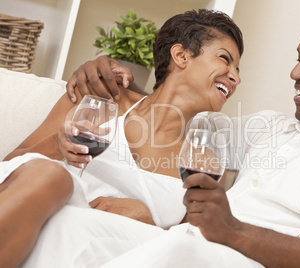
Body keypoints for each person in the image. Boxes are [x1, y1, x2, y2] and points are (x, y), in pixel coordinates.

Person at [62, 13, 300, 268]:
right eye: (299, 58)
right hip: (181, 246)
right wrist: (106, 78)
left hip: (228, 259)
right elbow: (168, 116)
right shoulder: (270, 128)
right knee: (73, 225)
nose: (296, 72)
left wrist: (233, 231)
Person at [0, 9, 244, 267]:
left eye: (237, 69)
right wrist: (56, 145)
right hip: (28, 224)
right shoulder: (102, 99)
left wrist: (149, 220)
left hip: (100, 253)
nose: (236, 77)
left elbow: (190, 246)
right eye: (224, 59)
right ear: (181, 55)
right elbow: (11, 164)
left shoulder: (205, 165)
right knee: (53, 176)